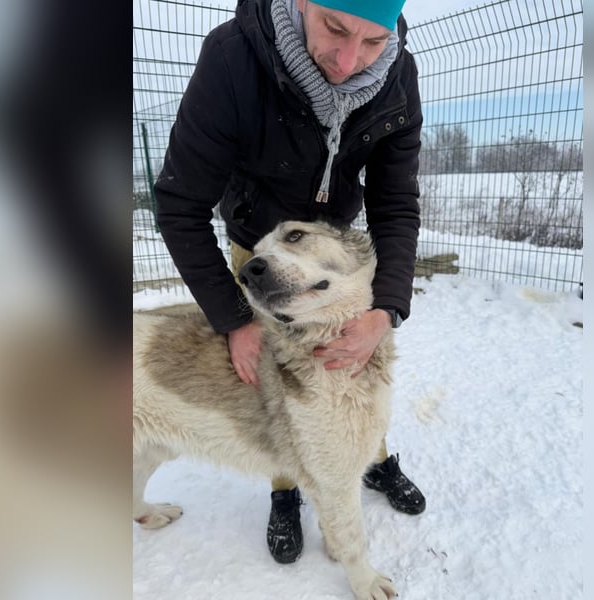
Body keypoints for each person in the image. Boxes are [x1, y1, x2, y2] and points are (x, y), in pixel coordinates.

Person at [154, 0, 426, 565]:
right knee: (269, 383)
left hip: (331, 250)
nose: (349, 61)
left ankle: (370, 460)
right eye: (335, 28)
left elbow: (395, 203)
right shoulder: (233, 56)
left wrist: (388, 307)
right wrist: (233, 319)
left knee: (357, 368)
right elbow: (180, 202)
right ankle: (286, 488)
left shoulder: (398, 72)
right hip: (258, 244)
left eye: (373, 40)